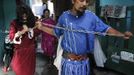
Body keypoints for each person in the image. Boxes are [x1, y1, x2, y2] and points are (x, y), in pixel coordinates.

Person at [36, 0, 133, 75]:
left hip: (84, 63)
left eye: (87, 1)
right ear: (73, 1)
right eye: (81, 0)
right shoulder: (64, 17)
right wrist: (41, 27)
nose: (84, 4)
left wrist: (121, 34)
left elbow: (106, 29)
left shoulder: (91, 17)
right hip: (68, 63)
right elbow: (55, 32)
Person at [9, 4, 41, 75]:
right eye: (22, 15)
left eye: (26, 15)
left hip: (30, 52)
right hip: (19, 53)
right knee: (18, 70)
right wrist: (22, 32)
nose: (24, 17)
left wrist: (38, 27)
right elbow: (11, 36)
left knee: (30, 71)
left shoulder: (32, 22)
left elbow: (38, 32)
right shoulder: (14, 23)